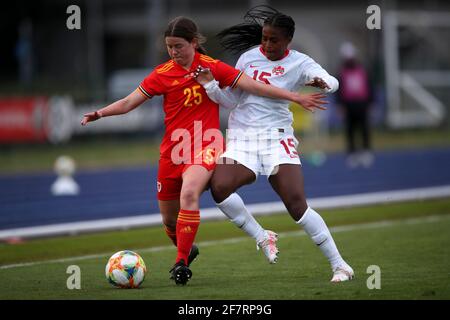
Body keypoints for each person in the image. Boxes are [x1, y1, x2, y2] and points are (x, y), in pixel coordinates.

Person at [81, 16, 327, 285]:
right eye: (169, 47)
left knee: (190, 192)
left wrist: (294, 96)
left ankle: (181, 263)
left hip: (206, 144)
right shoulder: (162, 74)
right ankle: (187, 248)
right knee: (169, 221)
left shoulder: (211, 67)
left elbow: (254, 86)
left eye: (178, 46)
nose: (174, 52)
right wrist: (100, 113)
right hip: (173, 151)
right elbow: (129, 102)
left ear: (194, 43)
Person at [193, 6, 354, 282]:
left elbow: (334, 82)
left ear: (288, 40)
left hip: (277, 139)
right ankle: (261, 235)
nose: (267, 44)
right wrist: (210, 86)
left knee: (296, 203)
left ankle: (340, 265)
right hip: (243, 139)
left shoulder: (301, 63)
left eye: (274, 39)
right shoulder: (247, 58)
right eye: (264, 38)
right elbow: (231, 101)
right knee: (219, 187)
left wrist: (323, 82)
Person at [337, 42, 374, 168]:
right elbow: (339, 90)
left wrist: (371, 102)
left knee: (364, 128)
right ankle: (352, 153)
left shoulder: (362, 70)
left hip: (362, 103)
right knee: (350, 130)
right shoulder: (342, 72)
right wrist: (340, 105)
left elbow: (369, 86)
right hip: (349, 104)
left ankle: (366, 152)